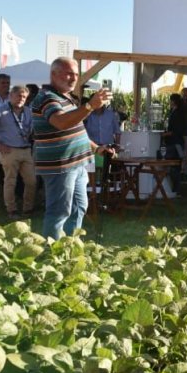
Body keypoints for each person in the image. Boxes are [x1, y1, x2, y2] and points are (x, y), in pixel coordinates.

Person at [32, 58, 115, 238]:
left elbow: (77, 130)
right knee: (59, 211)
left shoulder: (66, 98)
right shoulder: (47, 97)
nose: (73, 78)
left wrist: (97, 148)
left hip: (78, 164)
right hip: (61, 166)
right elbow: (61, 123)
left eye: (76, 74)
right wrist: (90, 106)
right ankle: (51, 254)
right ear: (53, 74)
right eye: (68, 73)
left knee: (79, 207)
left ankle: (68, 248)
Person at [0, 85, 37, 219]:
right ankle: (11, 209)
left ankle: (28, 208)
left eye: (24, 97)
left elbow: (33, 129)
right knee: (10, 181)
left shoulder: (28, 112)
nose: (21, 99)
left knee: (32, 181)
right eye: (19, 95)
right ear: (11, 96)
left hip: (26, 150)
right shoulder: (1, 111)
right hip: (9, 150)